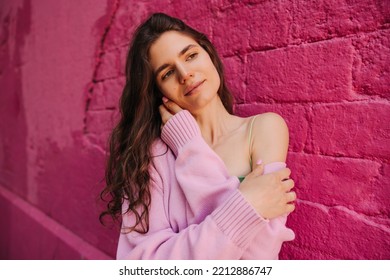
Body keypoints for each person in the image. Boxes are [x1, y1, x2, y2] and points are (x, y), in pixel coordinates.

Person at [100, 12, 296, 260]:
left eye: (191, 56)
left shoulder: (263, 129)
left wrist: (188, 146)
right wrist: (248, 203)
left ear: (209, 55)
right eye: (167, 73)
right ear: (158, 91)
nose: (185, 74)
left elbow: (258, 258)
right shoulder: (149, 158)